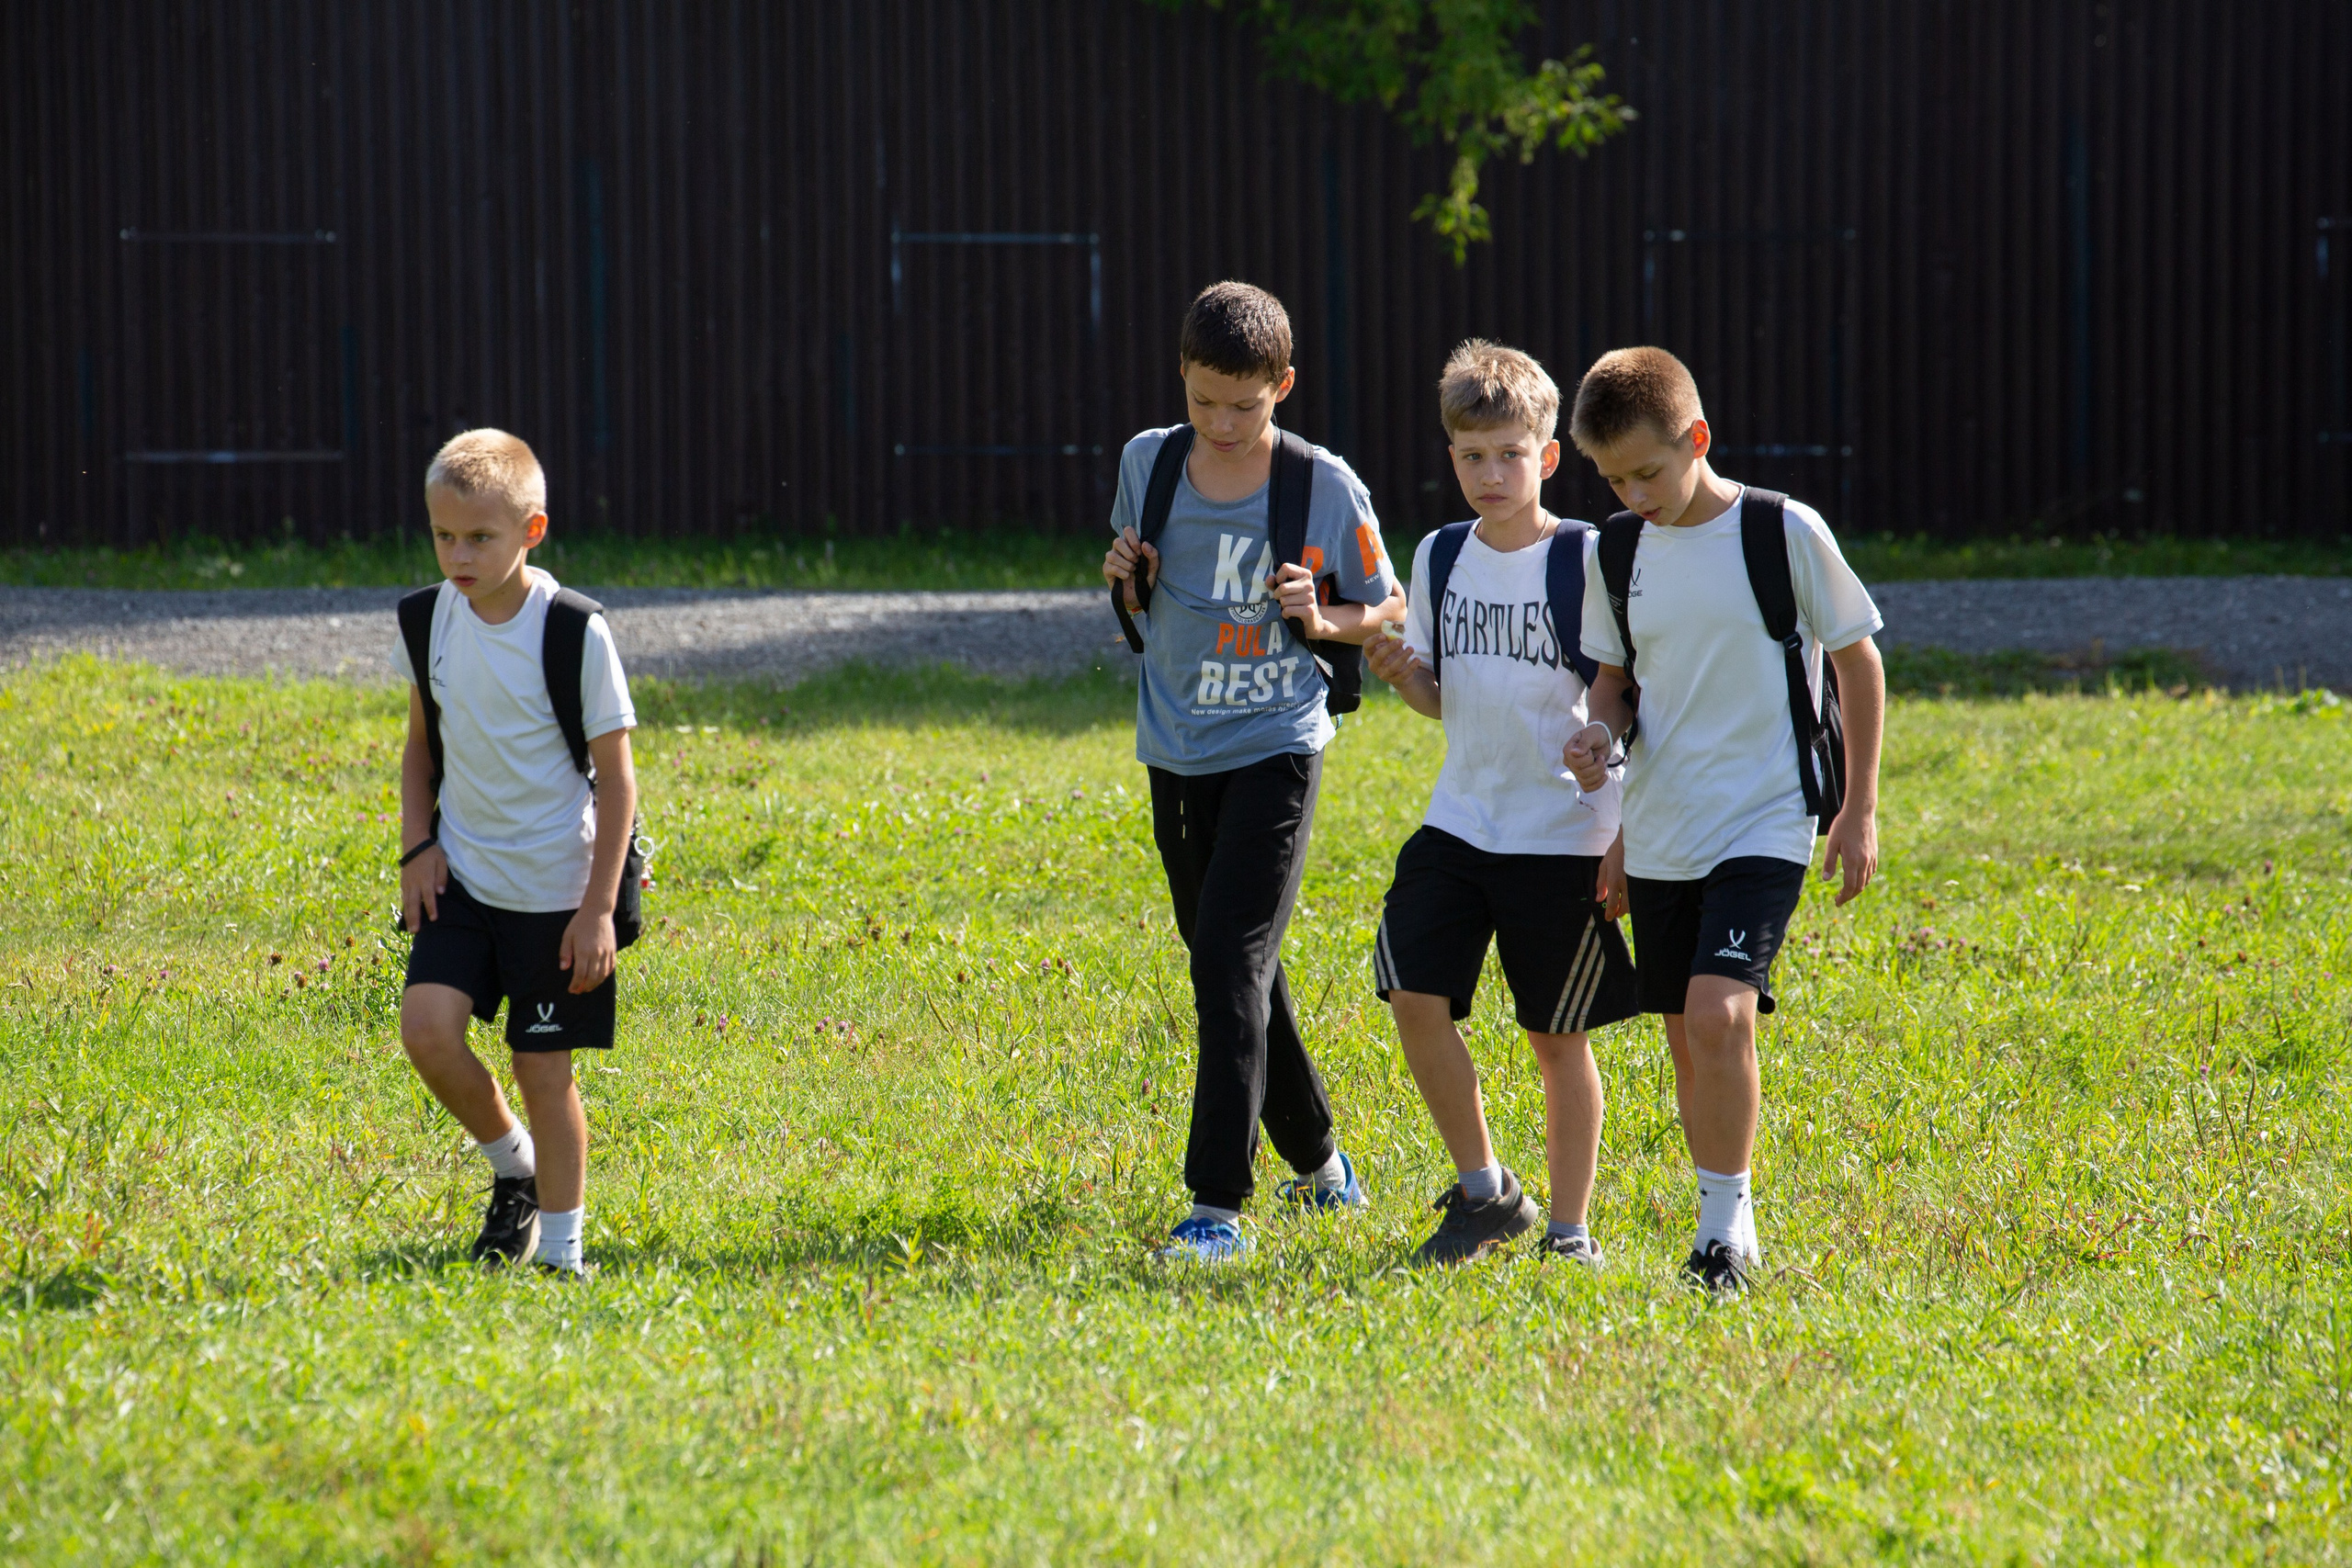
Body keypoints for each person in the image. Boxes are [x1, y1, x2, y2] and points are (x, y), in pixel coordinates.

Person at [1561, 347, 1885, 1293]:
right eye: (1613, 478)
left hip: (1766, 815)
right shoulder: (1615, 551)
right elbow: (1615, 687)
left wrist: (1856, 809)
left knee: (1719, 1012)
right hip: (1662, 826)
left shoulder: (1780, 531)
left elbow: (1856, 662)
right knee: (1683, 1034)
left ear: (1695, 439)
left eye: (1647, 472)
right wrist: (1596, 741)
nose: (1633, 493)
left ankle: (1723, 1235)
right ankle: (1720, 1209)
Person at [1102, 280, 1407, 1262]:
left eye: (1245, 404)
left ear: (1282, 385)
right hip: (1174, 746)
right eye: (1203, 402)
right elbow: (1146, 610)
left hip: (1278, 742)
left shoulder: (1321, 483)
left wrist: (1321, 619)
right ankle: (1322, 1165)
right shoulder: (1147, 465)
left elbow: (1386, 605)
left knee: (1225, 961)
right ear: (1180, 382)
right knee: (1238, 966)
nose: (1223, 423)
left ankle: (1216, 1207)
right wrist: (1126, 581)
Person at [1363, 341, 1638, 1269]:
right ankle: (1485, 1191)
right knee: (1410, 989)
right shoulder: (1439, 556)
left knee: (1553, 1036)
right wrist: (1404, 676)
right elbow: (1441, 694)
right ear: (1450, 458)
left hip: (1561, 838)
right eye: (1471, 456)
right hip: (1460, 822)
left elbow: (1628, 691)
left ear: (1547, 456)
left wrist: (1606, 768)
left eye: (1509, 454)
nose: (1490, 473)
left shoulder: (1588, 558)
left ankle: (1569, 1231)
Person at [393, 429, 639, 1280]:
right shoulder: (428, 619)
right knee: (426, 1032)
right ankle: (515, 1168)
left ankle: (563, 1255)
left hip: (557, 894)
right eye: (443, 535)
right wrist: (416, 845)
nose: (458, 554)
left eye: (480, 538)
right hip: (461, 878)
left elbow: (618, 782)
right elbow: (422, 749)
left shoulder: (574, 631)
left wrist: (598, 907)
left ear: (532, 531)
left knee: (544, 1068)